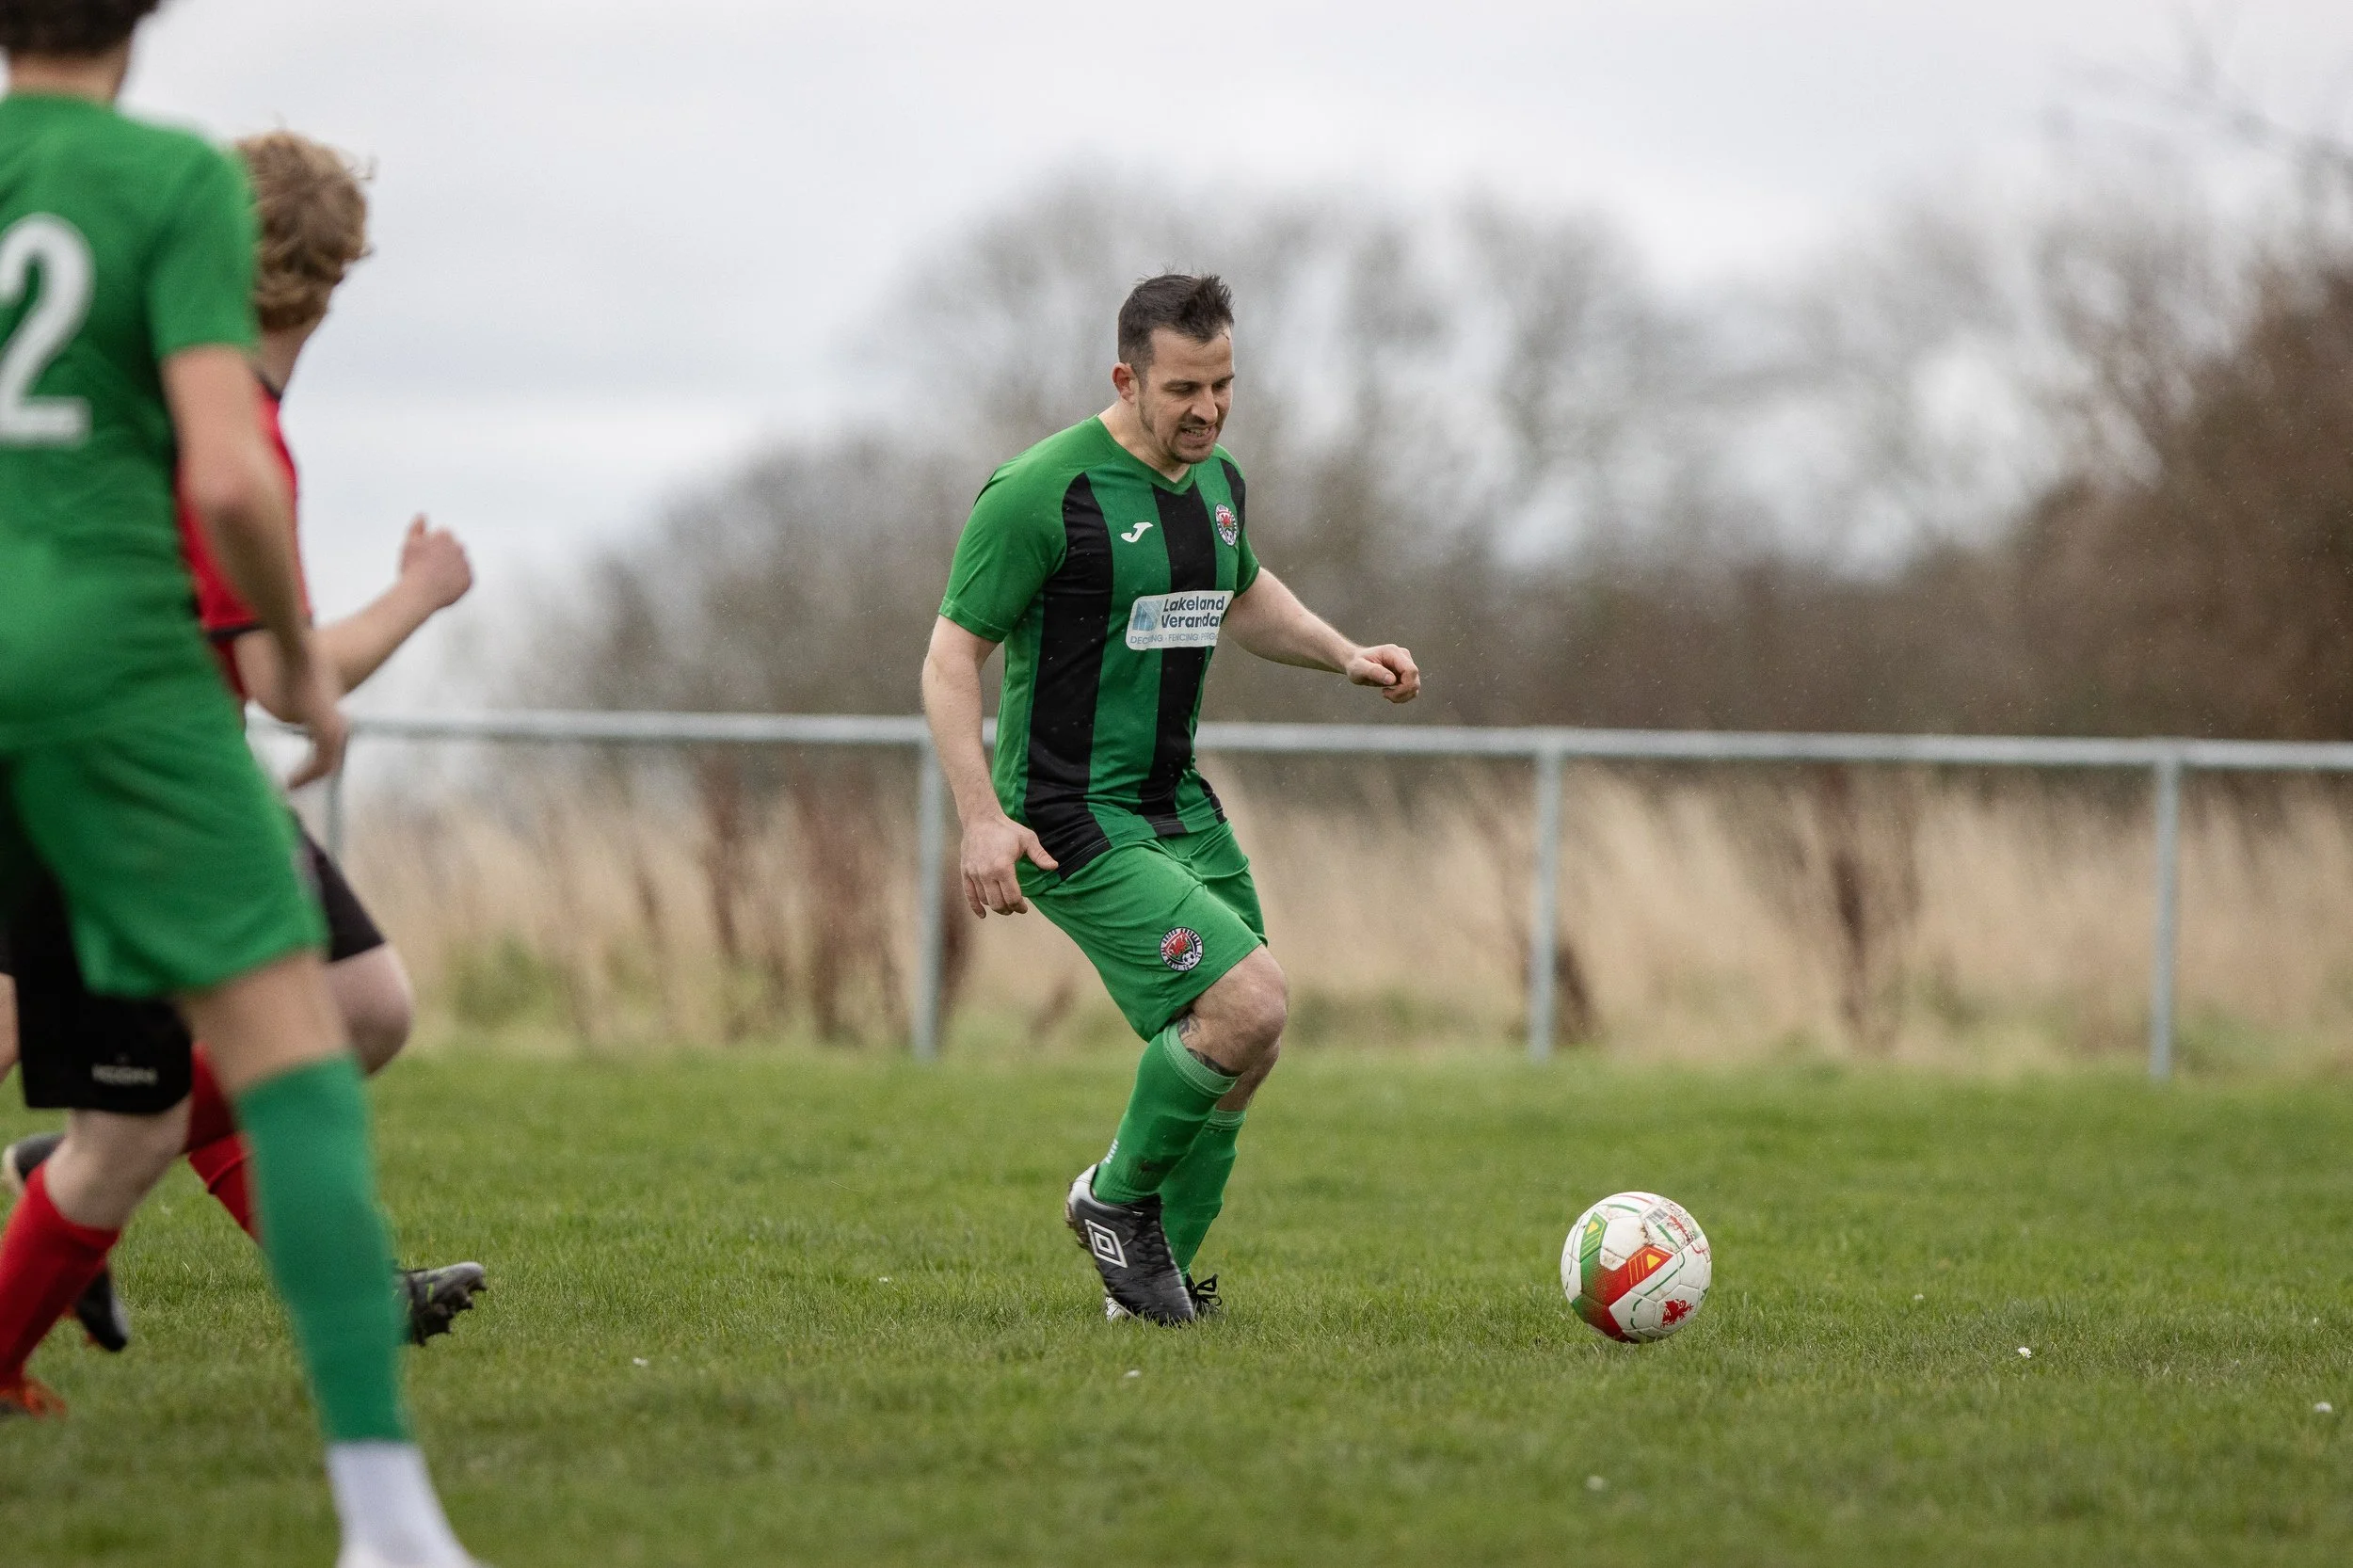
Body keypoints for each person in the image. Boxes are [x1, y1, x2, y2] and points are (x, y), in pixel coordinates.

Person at [0, 7, 482, 1566]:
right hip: (122, 691)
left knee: (124, 1105)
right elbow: (222, 474)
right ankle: (388, 1520)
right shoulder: (166, 185)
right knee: (301, 1057)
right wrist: (303, 662)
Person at [921, 273, 1421, 1325]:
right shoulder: (1038, 493)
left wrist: (1343, 655)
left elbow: (1242, 592)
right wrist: (978, 817)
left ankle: (1149, 1303)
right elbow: (947, 658)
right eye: (1186, 387)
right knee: (1248, 1001)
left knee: (1248, 1040)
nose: (1208, 409)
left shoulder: (1218, 478)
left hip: (1175, 804)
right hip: (1064, 814)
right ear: (1125, 376)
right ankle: (1112, 1198)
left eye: (1224, 384)